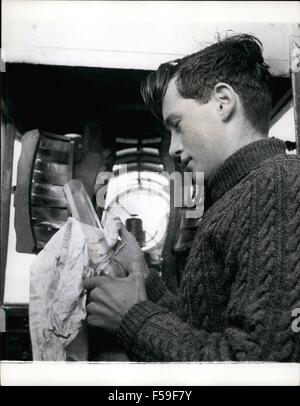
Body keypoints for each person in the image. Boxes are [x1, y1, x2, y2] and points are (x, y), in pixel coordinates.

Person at [83, 34, 300, 361]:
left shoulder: (278, 184)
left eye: (177, 124)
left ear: (223, 101)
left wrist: (132, 318)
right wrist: (142, 275)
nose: (173, 148)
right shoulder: (238, 194)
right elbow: (202, 326)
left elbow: (257, 362)